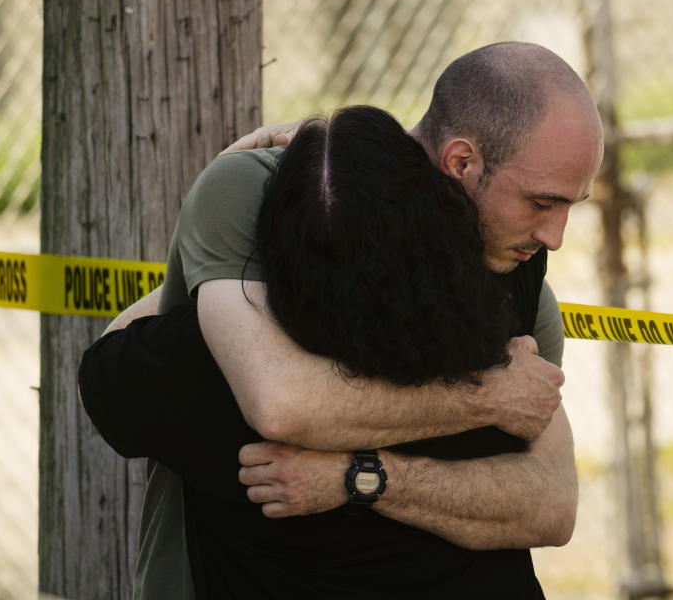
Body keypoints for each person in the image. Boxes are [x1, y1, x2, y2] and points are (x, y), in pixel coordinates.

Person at [90, 41, 603, 599]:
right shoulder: (248, 206)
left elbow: (551, 505)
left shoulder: (520, 287)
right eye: (542, 203)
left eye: (571, 205)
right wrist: (485, 398)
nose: (554, 237)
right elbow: (281, 404)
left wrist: (359, 477)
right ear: (461, 161)